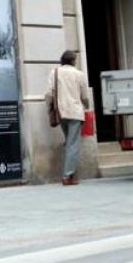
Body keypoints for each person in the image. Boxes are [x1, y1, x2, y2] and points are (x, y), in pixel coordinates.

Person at [45, 50, 91, 185]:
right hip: (75, 112)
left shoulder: (55, 72)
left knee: (68, 142)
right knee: (72, 144)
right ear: (73, 61)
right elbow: (85, 97)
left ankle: (70, 173)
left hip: (61, 112)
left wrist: (50, 109)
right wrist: (86, 106)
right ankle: (67, 175)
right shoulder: (79, 74)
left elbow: (48, 94)